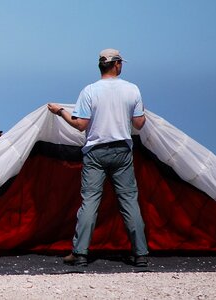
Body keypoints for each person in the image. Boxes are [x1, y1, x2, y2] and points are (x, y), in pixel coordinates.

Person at [47, 49, 148, 267]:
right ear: (118, 65)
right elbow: (139, 123)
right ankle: (140, 254)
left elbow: (80, 125)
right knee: (129, 201)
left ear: (100, 66)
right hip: (122, 151)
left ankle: (80, 253)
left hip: (95, 152)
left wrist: (61, 112)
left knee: (90, 202)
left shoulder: (89, 91)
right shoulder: (132, 90)